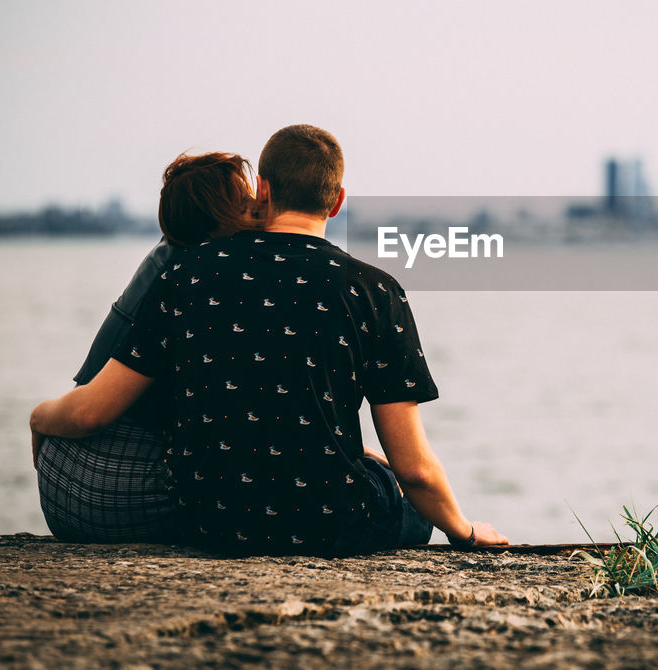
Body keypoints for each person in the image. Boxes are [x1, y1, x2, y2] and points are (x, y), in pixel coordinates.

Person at [30, 125, 508, 555]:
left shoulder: (185, 275)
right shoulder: (376, 290)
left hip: (209, 523)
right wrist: (465, 531)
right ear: (337, 201)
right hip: (332, 526)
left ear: (263, 190)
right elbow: (417, 471)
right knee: (401, 494)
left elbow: (96, 406)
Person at [33, 152, 257, 542]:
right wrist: (38, 417)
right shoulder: (196, 283)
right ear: (220, 214)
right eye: (245, 200)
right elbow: (90, 413)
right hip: (110, 479)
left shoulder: (169, 258)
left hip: (66, 471)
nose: (257, 206)